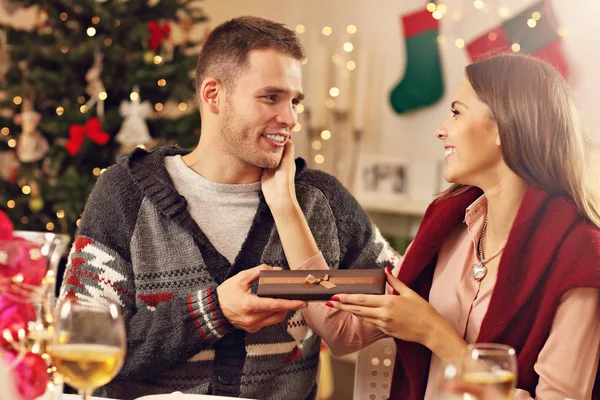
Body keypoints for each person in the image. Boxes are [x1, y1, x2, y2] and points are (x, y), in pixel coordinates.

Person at [58, 16, 397, 400]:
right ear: (213, 95)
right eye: (271, 97)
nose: (289, 118)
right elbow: (79, 343)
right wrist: (212, 311)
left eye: (295, 101)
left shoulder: (320, 200)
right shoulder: (126, 194)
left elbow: (404, 291)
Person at [271, 54, 600, 399]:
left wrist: (434, 333)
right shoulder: (446, 226)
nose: (441, 128)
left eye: (457, 112)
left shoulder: (580, 258)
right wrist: (284, 204)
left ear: (505, 126)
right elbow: (341, 331)